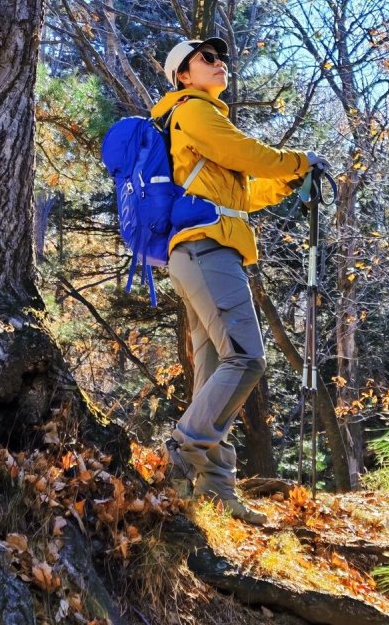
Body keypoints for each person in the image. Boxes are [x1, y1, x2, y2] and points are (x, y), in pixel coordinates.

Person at [153, 35, 329, 525]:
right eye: (206, 58)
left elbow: (243, 193)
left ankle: (215, 490)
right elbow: (243, 151)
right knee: (248, 357)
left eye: (220, 57)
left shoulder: (196, 120)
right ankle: (182, 449)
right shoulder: (193, 110)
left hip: (198, 249)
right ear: (183, 75)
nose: (218, 62)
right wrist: (299, 161)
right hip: (206, 248)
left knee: (214, 372)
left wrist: (288, 180)